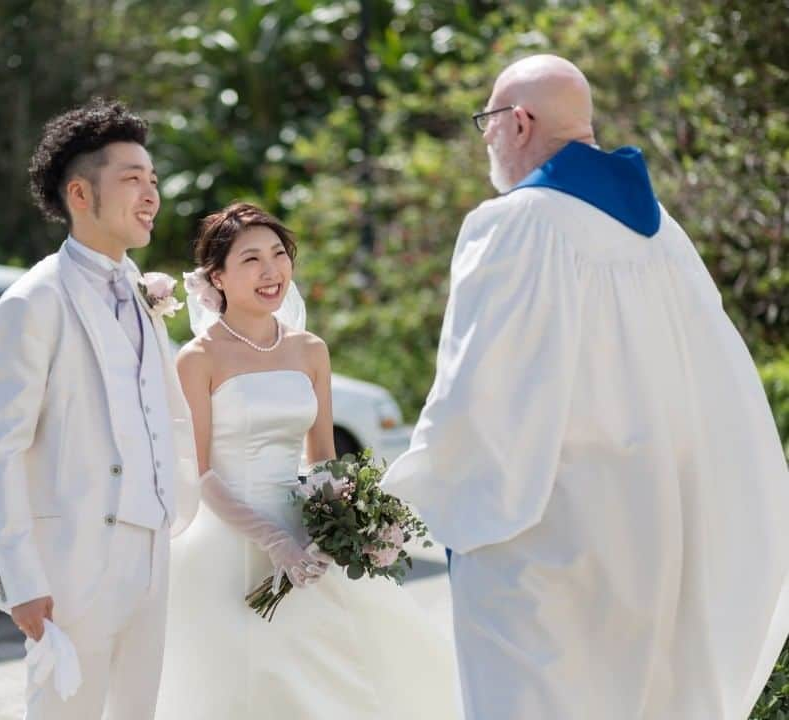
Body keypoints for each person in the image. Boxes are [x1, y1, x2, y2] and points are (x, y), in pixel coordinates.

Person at [384, 54, 789, 719]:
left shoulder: (513, 223)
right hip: (655, 523)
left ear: (519, 122)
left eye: (486, 121)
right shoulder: (663, 233)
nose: (485, 138)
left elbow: (478, 391)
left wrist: (408, 492)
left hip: (545, 532)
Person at [154, 202, 460, 720]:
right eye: (251, 259)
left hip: (307, 541)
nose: (271, 271)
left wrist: (334, 524)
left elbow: (322, 458)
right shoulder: (198, 358)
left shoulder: (309, 350)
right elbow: (197, 470)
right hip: (227, 540)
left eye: (279, 254)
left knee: (345, 669)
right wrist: (272, 540)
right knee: (244, 680)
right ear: (218, 277)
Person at [0, 97, 199, 719]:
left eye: (153, 180)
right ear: (80, 195)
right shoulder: (32, 302)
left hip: (151, 553)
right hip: (70, 567)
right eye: (131, 180)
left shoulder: (144, 294)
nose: (150, 195)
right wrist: (23, 581)